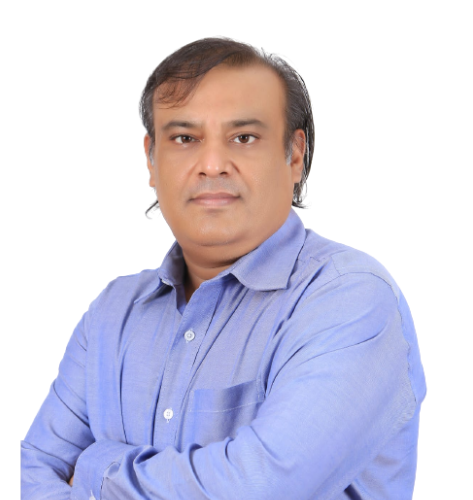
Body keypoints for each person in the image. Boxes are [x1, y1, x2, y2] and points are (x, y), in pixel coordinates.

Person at [21, 37, 426, 500]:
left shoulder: (349, 298)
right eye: (185, 138)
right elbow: (31, 472)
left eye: (244, 137)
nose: (212, 164)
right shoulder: (112, 314)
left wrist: (97, 466)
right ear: (151, 159)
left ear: (294, 156)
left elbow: (261, 487)